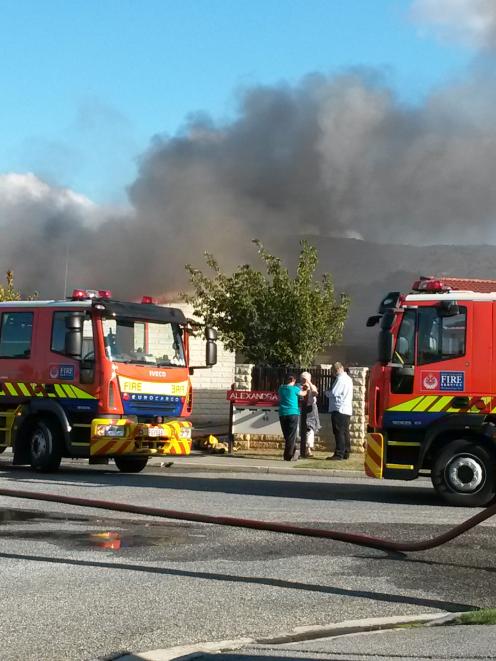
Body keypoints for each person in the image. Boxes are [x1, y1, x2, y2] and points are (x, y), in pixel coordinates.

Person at [325, 362, 353, 460]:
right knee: (345, 432)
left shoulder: (340, 379)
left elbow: (334, 393)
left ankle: (339, 453)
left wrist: (326, 393)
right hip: (346, 409)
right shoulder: (348, 379)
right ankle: (346, 451)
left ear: (336, 369)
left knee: (338, 432)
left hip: (339, 408)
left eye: (334, 370)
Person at [278, 374, 302, 461]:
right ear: (293, 380)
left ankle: (294, 450)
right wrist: (306, 389)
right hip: (293, 412)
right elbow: (303, 394)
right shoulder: (295, 389)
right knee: (291, 435)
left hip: (283, 413)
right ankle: (288, 455)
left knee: (287, 435)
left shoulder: (281, 388)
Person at [299, 371, 320, 457]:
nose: (303, 380)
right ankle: (303, 448)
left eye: (305, 378)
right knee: (302, 430)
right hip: (301, 409)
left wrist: (309, 383)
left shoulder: (312, 387)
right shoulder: (298, 387)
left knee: (310, 429)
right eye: (302, 378)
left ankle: (308, 448)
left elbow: (315, 393)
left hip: (311, 409)